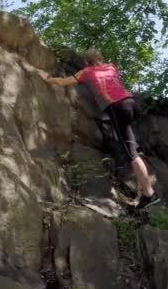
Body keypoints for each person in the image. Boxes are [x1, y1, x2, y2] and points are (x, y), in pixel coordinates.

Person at [40, 48, 160, 208]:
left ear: (86, 61)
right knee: (132, 147)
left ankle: (149, 194)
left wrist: (47, 78)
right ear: (101, 57)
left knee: (131, 154)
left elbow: (63, 82)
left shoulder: (86, 72)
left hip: (116, 107)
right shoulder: (112, 67)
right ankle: (145, 191)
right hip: (130, 103)